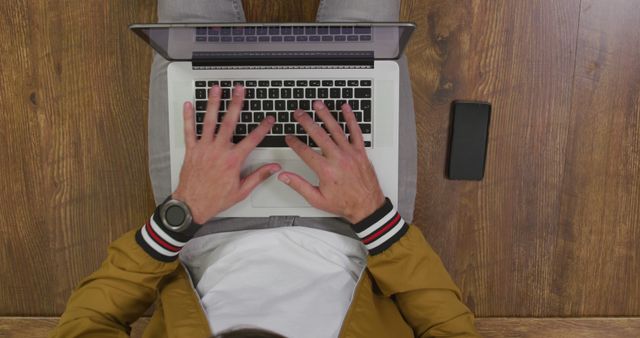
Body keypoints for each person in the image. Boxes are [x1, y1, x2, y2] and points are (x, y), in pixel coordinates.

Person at [51, 0, 480, 337]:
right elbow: (449, 329)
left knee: (189, 18)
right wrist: (375, 217)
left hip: (202, 226)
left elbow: (87, 326)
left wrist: (178, 217)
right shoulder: (369, 220)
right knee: (366, 16)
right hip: (361, 233)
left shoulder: (188, 218)